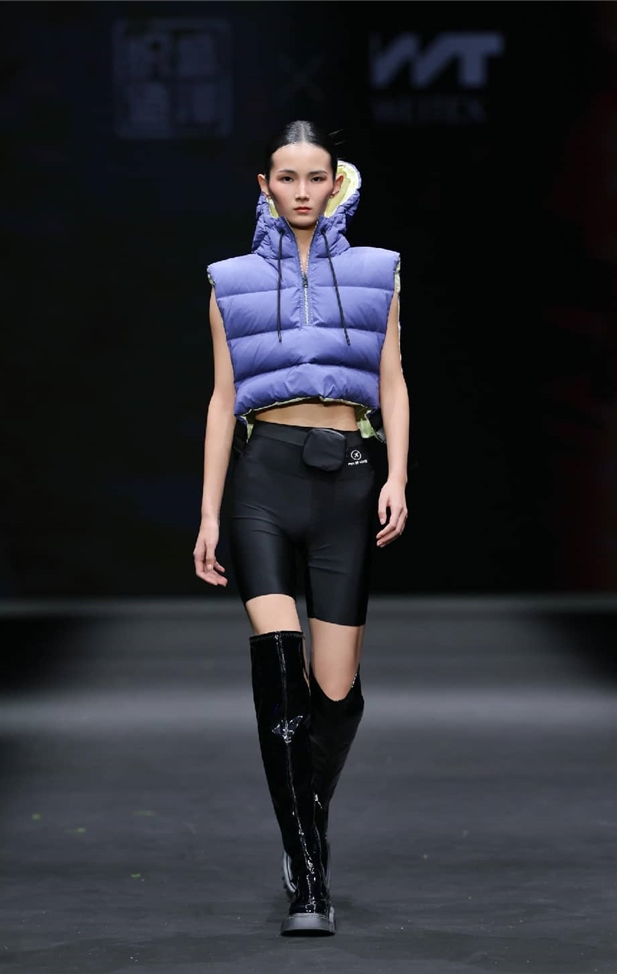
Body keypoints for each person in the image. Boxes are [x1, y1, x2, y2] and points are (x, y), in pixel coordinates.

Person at [193, 119, 409, 937]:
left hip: (348, 482)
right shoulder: (229, 280)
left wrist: (396, 476)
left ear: (337, 181)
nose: (303, 191)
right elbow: (222, 399)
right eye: (287, 177)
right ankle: (308, 878)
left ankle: (304, 811)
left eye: (316, 176)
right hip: (262, 480)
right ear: (265, 186)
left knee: (337, 692)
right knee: (279, 668)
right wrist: (208, 511)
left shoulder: (379, 272)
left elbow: (393, 380)